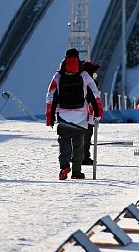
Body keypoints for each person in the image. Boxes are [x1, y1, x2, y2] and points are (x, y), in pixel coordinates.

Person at [46, 49, 102, 180]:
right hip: (81, 117)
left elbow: (50, 97)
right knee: (78, 145)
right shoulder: (84, 76)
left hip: (64, 116)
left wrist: (50, 117)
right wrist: (98, 112)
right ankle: (76, 172)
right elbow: (94, 95)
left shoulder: (58, 76)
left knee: (64, 142)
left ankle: (64, 166)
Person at [80, 60, 101, 166]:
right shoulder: (90, 83)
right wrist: (98, 113)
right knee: (87, 137)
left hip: (80, 114)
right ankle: (84, 157)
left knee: (80, 137)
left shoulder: (80, 80)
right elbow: (94, 100)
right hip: (88, 114)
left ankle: (78, 156)